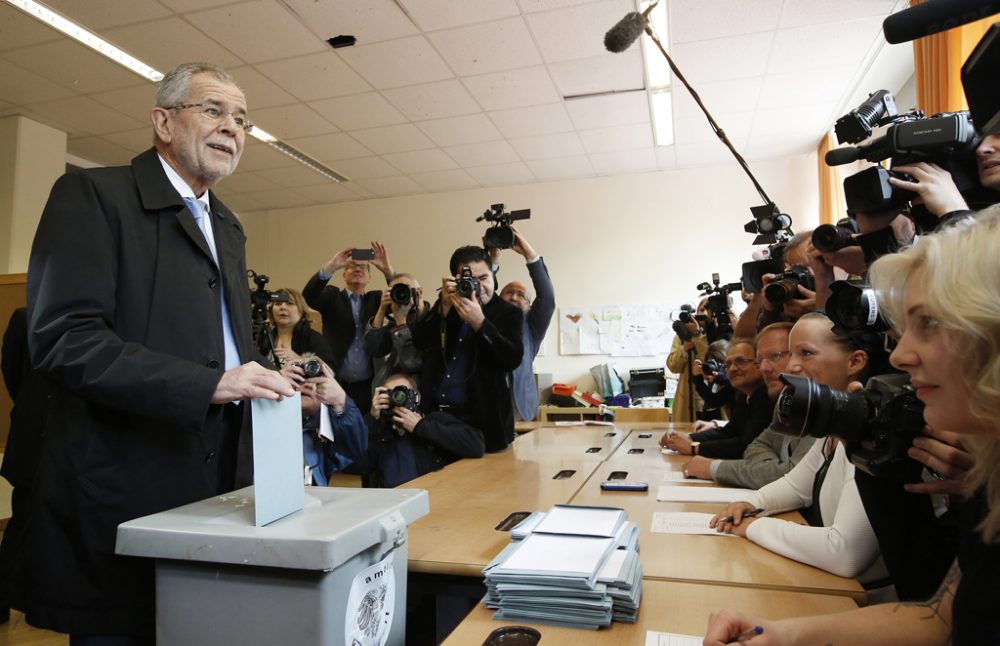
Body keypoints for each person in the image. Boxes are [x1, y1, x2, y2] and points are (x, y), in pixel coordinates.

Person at [19, 63, 296, 643]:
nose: (233, 128)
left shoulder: (230, 227)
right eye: (214, 110)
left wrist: (268, 378)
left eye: (242, 119)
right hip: (126, 486)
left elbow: (217, 343)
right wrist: (211, 384)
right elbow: (63, 340)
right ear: (163, 122)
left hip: (223, 485)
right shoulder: (93, 195)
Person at [703, 207, 1000, 646]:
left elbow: (850, 556)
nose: (899, 357)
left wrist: (752, 523)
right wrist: (776, 635)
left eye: (930, 324)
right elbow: (941, 618)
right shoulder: (990, 485)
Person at [708, 313, 889, 590]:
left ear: (855, 362)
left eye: (806, 354)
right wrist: (751, 503)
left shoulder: (875, 432)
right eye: (791, 355)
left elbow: (845, 553)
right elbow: (796, 485)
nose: (791, 366)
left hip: (872, 601)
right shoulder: (833, 426)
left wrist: (752, 527)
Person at [410, 245, 524, 452]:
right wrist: (442, 307)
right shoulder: (449, 306)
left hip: (482, 423)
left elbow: (512, 358)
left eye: (484, 278)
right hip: (437, 419)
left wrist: (480, 323)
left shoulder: (507, 312)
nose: (478, 286)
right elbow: (420, 341)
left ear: (493, 277)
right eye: (471, 280)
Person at [682, 323, 817, 488]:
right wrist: (691, 440)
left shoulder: (775, 398)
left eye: (775, 356)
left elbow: (792, 477)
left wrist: (697, 449)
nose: (765, 368)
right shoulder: (780, 401)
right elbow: (754, 444)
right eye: (761, 360)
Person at [322, 371, 485, 488]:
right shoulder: (378, 430)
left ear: (416, 397)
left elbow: (476, 445)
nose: (396, 399)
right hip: (391, 507)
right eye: (390, 394)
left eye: (402, 393)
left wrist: (419, 426)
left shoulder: (433, 420)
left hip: (434, 499)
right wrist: (371, 419)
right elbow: (352, 465)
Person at [0, 308, 53, 623]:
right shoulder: (24, 318)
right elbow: (13, 374)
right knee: (23, 522)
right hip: (35, 437)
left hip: (68, 439)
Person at [302, 242, 394, 413]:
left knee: (366, 432)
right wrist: (331, 266)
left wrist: (387, 271)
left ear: (370, 277)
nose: (358, 269)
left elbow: (400, 300)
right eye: (352, 267)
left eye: (364, 268)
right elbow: (309, 297)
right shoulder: (332, 296)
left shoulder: (377, 300)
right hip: (337, 383)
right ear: (344, 274)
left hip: (369, 385)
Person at [662, 338, 770, 459]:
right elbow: (729, 431)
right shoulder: (744, 394)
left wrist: (694, 447)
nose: (733, 368)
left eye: (741, 361)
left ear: (760, 363)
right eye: (728, 364)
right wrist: (690, 438)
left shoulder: (766, 396)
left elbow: (747, 445)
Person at [492, 227, 556, 422]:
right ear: (498, 298)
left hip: (521, 411)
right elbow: (481, 293)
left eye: (521, 295)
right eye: (509, 292)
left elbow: (547, 298)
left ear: (529, 306)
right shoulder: (487, 319)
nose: (514, 296)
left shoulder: (532, 329)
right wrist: (493, 261)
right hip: (490, 406)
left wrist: (530, 255)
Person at [363, 273, 425, 394]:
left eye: (406, 289)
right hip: (387, 390)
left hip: (417, 395)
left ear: (420, 292)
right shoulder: (394, 320)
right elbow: (373, 349)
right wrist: (381, 309)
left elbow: (412, 363)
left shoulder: (430, 321)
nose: (402, 295)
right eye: (396, 291)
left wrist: (401, 321)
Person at [265, 287, 336, 369]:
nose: (283, 307)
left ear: (301, 310)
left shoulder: (312, 337)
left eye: (290, 303)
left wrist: (301, 360)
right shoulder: (265, 337)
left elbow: (331, 369)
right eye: (278, 304)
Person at [666, 310, 709, 423]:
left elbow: (708, 358)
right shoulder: (681, 337)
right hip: (689, 398)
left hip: (713, 400)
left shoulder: (715, 332)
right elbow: (673, 366)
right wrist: (684, 348)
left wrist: (697, 334)